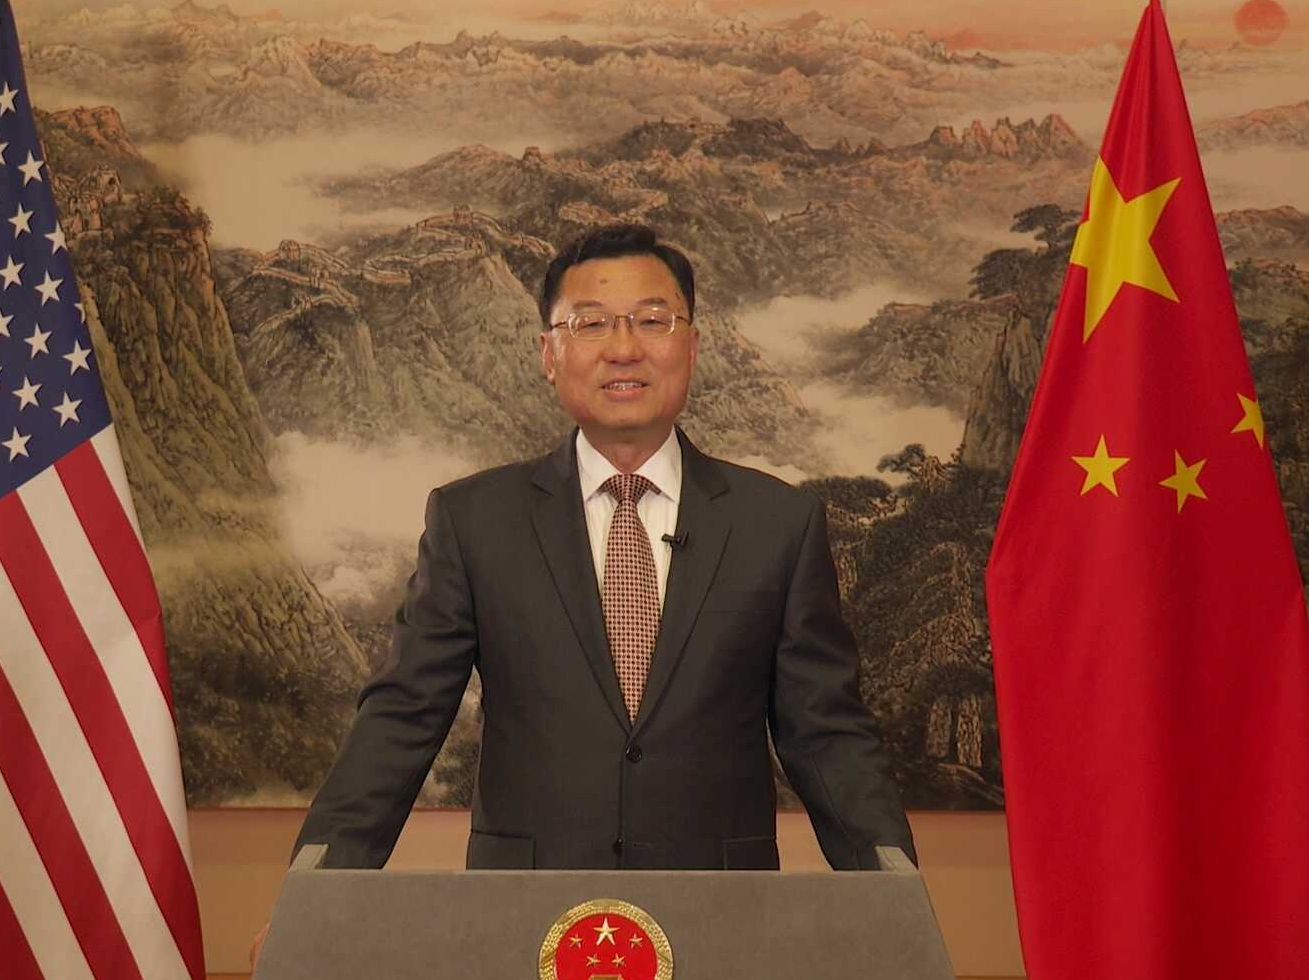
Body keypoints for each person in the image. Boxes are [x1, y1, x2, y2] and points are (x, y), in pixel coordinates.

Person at [289, 223, 915, 876]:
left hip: (720, 909)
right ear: (548, 353)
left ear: (692, 346)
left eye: (652, 321)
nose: (623, 349)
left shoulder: (778, 523)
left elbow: (826, 733)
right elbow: (402, 717)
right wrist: (315, 895)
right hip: (529, 907)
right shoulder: (474, 521)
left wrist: (895, 891)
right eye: (590, 324)